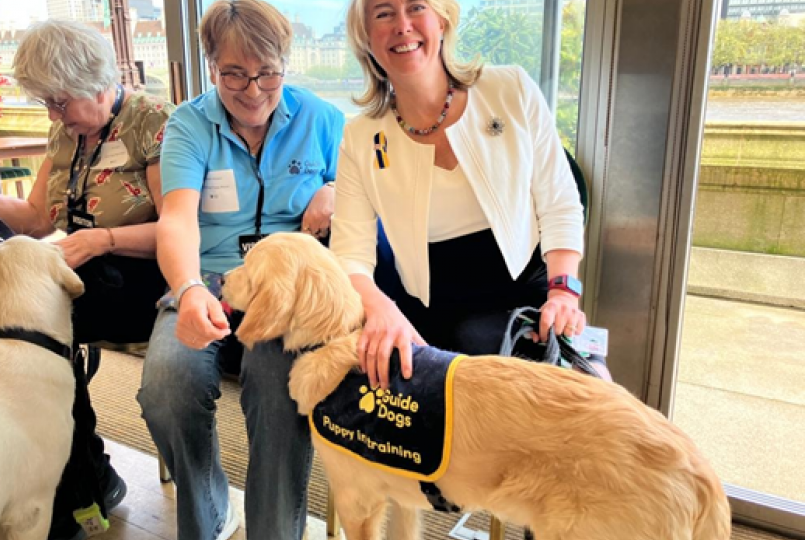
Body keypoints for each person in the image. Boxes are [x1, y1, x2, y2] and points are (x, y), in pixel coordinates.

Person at [135, 1, 344, 539]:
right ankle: (209, 512)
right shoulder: (188, 124)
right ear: (211, 67)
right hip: (207, 283)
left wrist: (335, 189)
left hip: (285, 297)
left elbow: (367, 205)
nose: (253, 91)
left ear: (285, 65)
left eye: (267, 74)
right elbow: (177, 220)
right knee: (166, 387)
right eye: (234, 74)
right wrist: (185, 291)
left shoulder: (322, 120)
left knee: (279, 390)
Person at [331, 0, 612, 394]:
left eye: (416, 8)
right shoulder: (361, 137)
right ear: (366, 40)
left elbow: (560, 201)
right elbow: (349, 255)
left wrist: (564, 292)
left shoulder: (510, 89)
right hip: (430, 306)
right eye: (383, 13)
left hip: (525, 292)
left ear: (442, 20)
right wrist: (381, 309)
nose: (402, 25)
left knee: (589, 398)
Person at [0, 19, 174, 540]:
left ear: (93, 79)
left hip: (145, 277)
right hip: (80, 272)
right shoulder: (67, 132)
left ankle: (72, 477)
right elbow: (39, 218)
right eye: (47, 104)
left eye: (59, 102)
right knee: (5, 323)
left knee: (28, 334)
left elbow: (181, 227)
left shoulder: (152, 121)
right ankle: (71, 473)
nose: (53, 116)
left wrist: (103, 239)